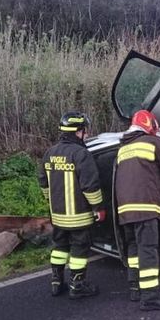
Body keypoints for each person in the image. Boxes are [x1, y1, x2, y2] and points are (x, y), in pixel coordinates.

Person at [115, 110, 160, 311]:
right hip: (144, 206)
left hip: (125, 209)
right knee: (148, 250)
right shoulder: (152, 142)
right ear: (150, 125)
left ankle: (134, 288)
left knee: (134, 248)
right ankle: (150, 297)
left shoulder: (123, 148)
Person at [39, 111, 106, 299]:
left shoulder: (50, 153)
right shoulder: (81, 154)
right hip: (79, 216)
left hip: (58, 216)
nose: (87, 133)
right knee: (79, 249)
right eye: (85, 130)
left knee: (59, 247)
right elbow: (90, 186)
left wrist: (51, 201)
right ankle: (78, 285)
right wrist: (98, 207)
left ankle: (56, 282)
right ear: (79, 131)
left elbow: (43, 183)